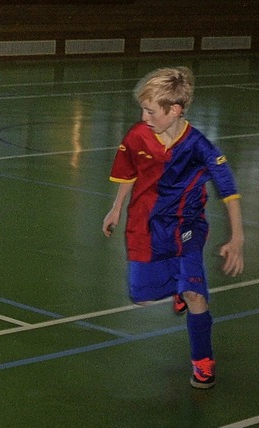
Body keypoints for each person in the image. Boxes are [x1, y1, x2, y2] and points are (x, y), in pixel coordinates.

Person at [102, 67, 244, 389]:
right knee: (141, 296)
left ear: (175, 110)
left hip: (187, 224)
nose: (144, 116)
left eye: (151, 111)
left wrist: (237, 237)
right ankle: (178, 287)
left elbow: (228, 189)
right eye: (144, 109)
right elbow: (128, 172)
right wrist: (116, 207)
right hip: (145, 224)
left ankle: (203, 361)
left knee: (195, 291)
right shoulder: (137, 135)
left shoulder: (199, 146)